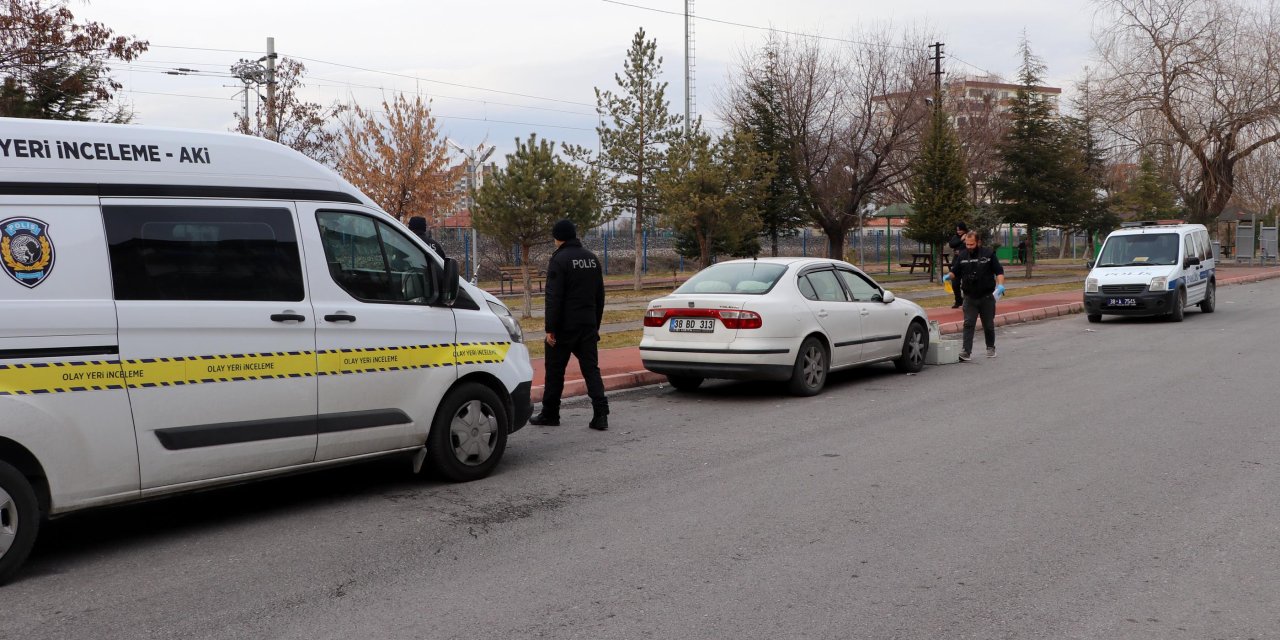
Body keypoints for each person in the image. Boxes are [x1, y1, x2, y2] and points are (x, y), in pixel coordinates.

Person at [530, 219, 609, 431]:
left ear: (558, 237)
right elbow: (599, 296)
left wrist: (550, 328)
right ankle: (601, 414)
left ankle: (550, 413)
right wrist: (596, 325)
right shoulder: (592, 259)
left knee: (555, 370)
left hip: (564, 327)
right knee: (591, 370)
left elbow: (554, 297)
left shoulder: (559, 260)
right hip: (587, 325)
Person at [946, 231, 1005, 361]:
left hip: (986, 297)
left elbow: (999, 271)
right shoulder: (962, 256)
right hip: (969, 297)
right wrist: (948, 277)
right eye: (967, 244)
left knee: (988, 324)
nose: (969, 247)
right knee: (968, 324)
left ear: (978, 242)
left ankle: (990, 347)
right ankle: (966, 351)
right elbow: (955, 272)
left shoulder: (988, 254)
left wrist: (1000, 285)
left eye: (972, 244)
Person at [946, 222, 968, 308]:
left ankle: (967, 301)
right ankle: (958, 300)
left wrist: (961, 250)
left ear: (964, 229)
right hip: (956, 262)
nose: (959, 231)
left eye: (960, 230)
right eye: (957, 230)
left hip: (966, 262)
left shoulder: (968, 236)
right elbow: (952, 244)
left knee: (966, 284)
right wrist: (961, 240)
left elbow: (967, 247)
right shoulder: (955, 237)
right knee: (955, 284)